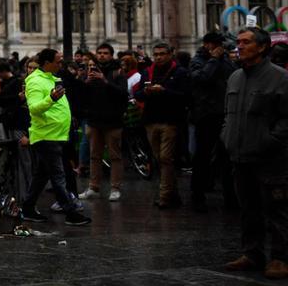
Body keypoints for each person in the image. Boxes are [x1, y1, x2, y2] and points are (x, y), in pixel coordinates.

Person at [221, 27, 288, 279]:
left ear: (262, 47)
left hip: (270, 157)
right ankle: (252, 253)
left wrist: (270, 140)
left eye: (246, 42)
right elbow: (228, 113)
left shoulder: (279, 77)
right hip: (240, 154)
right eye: (238, 42)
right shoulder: (235, 77)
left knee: (276, 208)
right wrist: (226, 135)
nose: (239, 46)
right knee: (248, 208)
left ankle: (281, 257)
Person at [20, 49, 91, 225]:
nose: (61, 65)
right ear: (47, 63)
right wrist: (51, 98)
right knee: (58, 176)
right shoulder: (36, 81)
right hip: (46, 135)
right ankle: (71, 212)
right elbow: (34, 108)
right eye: (58, 62)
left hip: (57, 134)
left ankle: (27, 208)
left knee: (41, 176)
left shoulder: (51, 77)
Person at [135, 41, 190, 209]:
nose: (158, 57)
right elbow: (137, 94)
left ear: (170, 54)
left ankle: (164, 196)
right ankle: (173, 194)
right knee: (160, 159)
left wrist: (165, 91)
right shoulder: (148, 72)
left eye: (162, 54)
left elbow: (186, 96)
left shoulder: (180, 72)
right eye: (156, 54)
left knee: (166, 158)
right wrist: (146, 92)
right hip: (151, 120)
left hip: (171, 121)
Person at [190, 32, 238, 213]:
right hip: (205, 115)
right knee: (202, 156)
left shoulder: (225, 59)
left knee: (226, 157)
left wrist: (222, 59)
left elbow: (233, 76)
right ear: (207, 45)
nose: (219, 48)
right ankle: (198, 194)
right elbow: (202, 78)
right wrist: (213, 60)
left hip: (223, 113)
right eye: (215, 44)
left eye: (221, 45)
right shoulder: (198, 60)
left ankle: (231, 197)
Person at [78, 43, 129, 202]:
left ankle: (115, 188)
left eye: (105, 53)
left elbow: (122, 94)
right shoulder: (91, 71)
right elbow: (83, 96)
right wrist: (85, 82)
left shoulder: (118, 72)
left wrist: (105, 81)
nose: (101, 55)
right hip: (94, 119)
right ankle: (94, 187)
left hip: (113, 120)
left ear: (111, 55)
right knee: (94, 155)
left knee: (115, 156)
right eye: (99, 53)